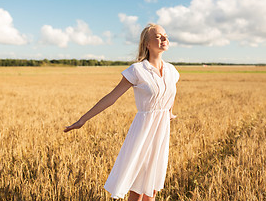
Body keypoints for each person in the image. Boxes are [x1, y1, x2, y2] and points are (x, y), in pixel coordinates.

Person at [64, 23, 180, 201]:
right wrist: (82, 120)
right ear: (147, 44)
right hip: (143, 131)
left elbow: (170, 91)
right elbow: (111, 97)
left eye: (165, 35)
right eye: (158, 36)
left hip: (161, 131)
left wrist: (169, 112)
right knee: (137, 187)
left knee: (152, 188)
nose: (164, 38)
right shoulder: (137, 70)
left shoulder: (172, 71)